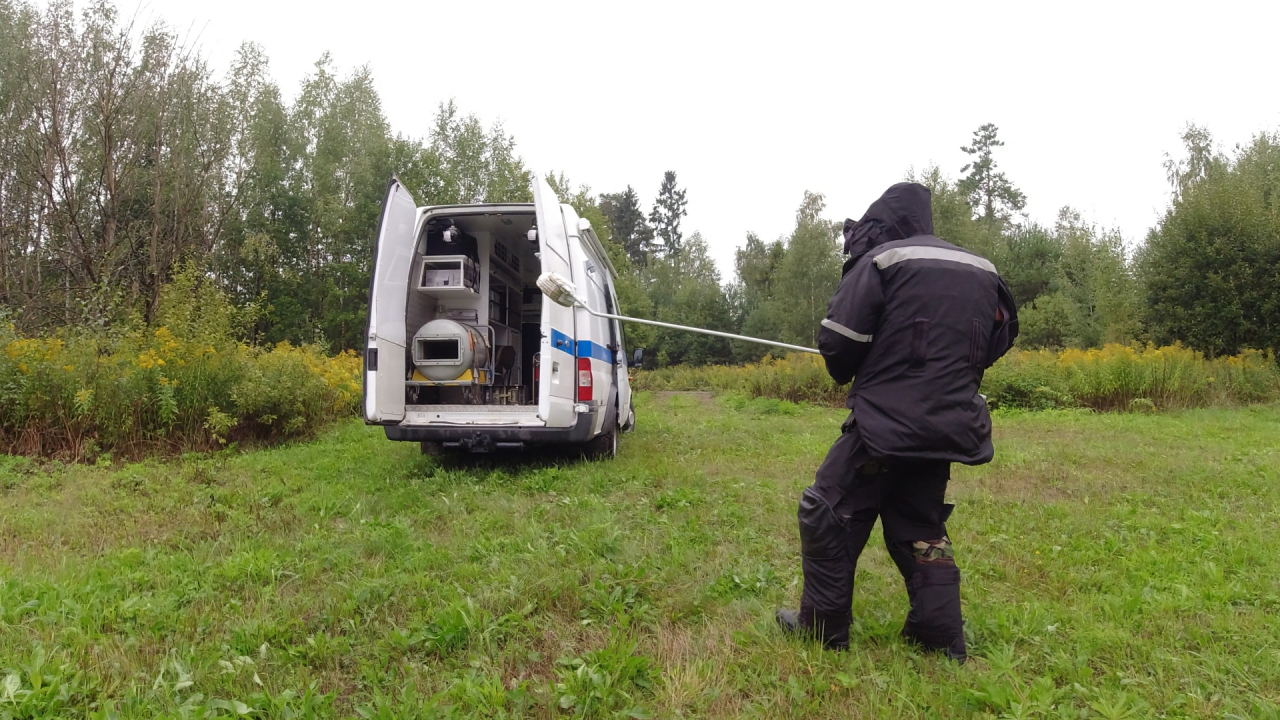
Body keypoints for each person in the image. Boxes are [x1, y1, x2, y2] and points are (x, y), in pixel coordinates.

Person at [775, 182, 1018, 662]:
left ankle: (822, 629)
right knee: (920, 524)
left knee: (825, 511)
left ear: (881, 222)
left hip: (882, 425)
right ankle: (941, 638)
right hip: (947, 425)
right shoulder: (982, 269)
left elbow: (840, 344)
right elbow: (1000, 336)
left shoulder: (883, 261)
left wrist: (874, 361)